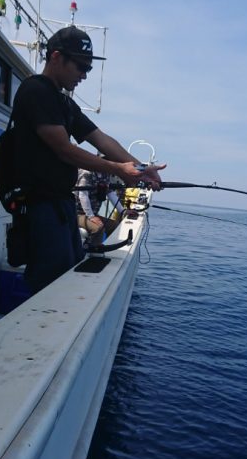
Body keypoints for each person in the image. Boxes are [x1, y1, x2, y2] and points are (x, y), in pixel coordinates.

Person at [12, 25, 165, 293]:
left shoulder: (64, 104)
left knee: (66, 277)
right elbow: (64, 149)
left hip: (61, 207)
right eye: (81, 66)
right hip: (40, 209)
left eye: (89, 69)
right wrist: (118, 168)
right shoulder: (35, 92)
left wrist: (141, 169)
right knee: (49, 288)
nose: (84, 75)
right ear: (56, 57)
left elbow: (102, 140)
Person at [75, 163, 124, 247]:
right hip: (76, 214)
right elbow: (83, 195)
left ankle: (106, 247)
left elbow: (110, 193)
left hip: (92, 214)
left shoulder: (105, 174)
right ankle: (93, 251)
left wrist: (123, 211)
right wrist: (91, 216)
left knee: (114, 226)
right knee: (98, 228)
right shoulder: (86, 173)